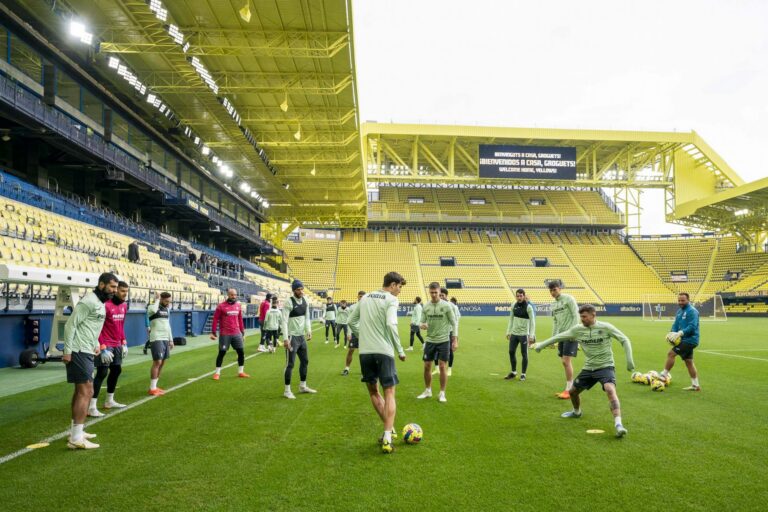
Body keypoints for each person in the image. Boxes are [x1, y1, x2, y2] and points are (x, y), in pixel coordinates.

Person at [532, 304, 635, 438]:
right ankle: (576, 412)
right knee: (573, 392)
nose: (582, 319)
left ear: (593, 315)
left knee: (610, 389)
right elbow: (559, 337)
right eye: (581, 317)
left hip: (605, 366)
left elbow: (624, 339)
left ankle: (619, 424)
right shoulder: (578, 330)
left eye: (585, 317)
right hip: (588, 367)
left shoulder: (606, 327)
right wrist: (541, 345)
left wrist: (629, 360)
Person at [347, 273, 407, 454]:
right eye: (399, 287)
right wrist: (400, 350)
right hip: (384, 351)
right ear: (393, 284)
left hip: (365, 352)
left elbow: (351, 321)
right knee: (389, 391)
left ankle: (390, 429)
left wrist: (363, 337)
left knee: (373, 391)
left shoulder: (365, 297)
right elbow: (391, 324)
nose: (399, 291)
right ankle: (387, 437)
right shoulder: (391, 299)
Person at [63, 272, 118, 450]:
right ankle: (76, 438)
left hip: (87, 349)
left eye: (116, 288)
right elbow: (70, 324)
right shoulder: (89, 301)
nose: (114, 291)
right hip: (78, 350)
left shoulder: (100, 303)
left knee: (82, 390)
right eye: (112, 287)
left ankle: (76, 431)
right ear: (101, 285)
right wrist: (67, 351)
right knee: (86, 391)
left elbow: (90, 327)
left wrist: (96, 344)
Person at [89, 280, 130, 417]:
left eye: (126, 291)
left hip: (117, 343)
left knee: (117, 370)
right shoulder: (105, 305)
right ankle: (91, 406)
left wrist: (123, 342)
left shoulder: (124, 306)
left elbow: (121, 325)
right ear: (116, 290)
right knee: (102, 372)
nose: (125, 294)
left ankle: (109, 401)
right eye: (122, 291)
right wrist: (102, 346)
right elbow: (98, 327)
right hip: (105, 344)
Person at [417, 282, 457, 403]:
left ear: (440, 292)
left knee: (442, 366)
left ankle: (442, 393)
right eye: (432, 292)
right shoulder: (426, 306)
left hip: (444, 340)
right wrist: (422, 325)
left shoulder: (446, 306)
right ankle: (428, 390)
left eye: (436, 292)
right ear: (429, 292)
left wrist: (455, 340)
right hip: (430, 340)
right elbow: (421, 322)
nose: (434, 295)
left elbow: (454, 322)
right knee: (427, 366)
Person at [658, 292, 701, 391]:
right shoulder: (679, 312)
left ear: (688, 300)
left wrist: (681, 333)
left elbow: (692, 326)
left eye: (683, 300)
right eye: (679, 300)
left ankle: (664, 375)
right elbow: (675, 324)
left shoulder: (692, 311)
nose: (680, 302)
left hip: (691, 339)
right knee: (689, 362)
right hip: (683, 339)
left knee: (671, 354)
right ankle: (696, 386)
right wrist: (671, 333)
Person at [282, 280, 316, 399]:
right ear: (294, 290)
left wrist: (309, 331)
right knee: (290, 364)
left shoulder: (305, 301)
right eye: (298, 289)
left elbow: (307, 318)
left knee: (305, 361)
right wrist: (285, 338)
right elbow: (284, 321)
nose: (301, 291)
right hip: (292, 337)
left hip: (301, 337)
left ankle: (303, 386)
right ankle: (287, 391)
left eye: (302, 289)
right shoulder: (289, 302)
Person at [549, 280, 580, 399]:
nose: (552, 292)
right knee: (564, 362)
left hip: (570, 334)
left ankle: (569, 390)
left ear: (559, 289)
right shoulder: (553, 304)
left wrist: (573, 332)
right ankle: (569, 388)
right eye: (551, 290)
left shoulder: (569, 299)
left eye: (554, 289)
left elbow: (575, 316)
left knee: (566, 362)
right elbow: (555, 322)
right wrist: (553, 338)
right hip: (561, 336)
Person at [210, 288, 248, 380]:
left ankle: (241, 372)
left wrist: (242, 332)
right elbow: (215, 319)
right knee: (222, 352)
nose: (234, 297)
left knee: (241, 352)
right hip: (225, 333)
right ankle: (217, 373)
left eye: (235, 295)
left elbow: (240, 319)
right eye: (232, 295)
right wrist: (213, 332)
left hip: (237, 333)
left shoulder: (238, 306)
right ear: (228, 295)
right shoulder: (221, 306)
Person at [505, 288, 536, 381]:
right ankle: (514, 372)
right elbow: (511, 319)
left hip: (524, 335)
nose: (519, 298)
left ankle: (523, 374)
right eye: (517, 296)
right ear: (516, 296)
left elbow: (533, 322)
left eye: (521, 296)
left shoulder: (528, 307)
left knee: (524, 354)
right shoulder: (513, 305)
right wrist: (508, 331)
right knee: (511, 351)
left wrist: (531, 336)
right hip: (514, 333)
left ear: (524, 296)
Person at [147, 292, 174, 396]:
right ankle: (152, 388)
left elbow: (168, 326)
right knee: (157, 362)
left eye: (169, 301)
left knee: (162, 363)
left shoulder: (167, 310)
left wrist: (171, 340)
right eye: (166, 301)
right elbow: (153, 310)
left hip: (165, 338)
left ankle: (155, 386)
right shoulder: (152, 307)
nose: (168, 303)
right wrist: (157, 299)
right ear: (161, 299)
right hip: (156, 337)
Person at [342, 291, 366, 376]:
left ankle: (364, 370)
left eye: (363, 296)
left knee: (365, 353)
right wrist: (349, 333)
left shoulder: (368, 307)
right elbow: (349, 321)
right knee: (351, 350)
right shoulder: (352, 307)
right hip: (354, 332)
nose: (361, 298)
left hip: (365, 333)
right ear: (357, 297)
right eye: (360, 296)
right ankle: (346, 368)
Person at [447, 295, 461, 376]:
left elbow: (458, 317)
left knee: (450, 349)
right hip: (445, 331)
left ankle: (449, 368)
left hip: (451, 329)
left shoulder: (454, 307)